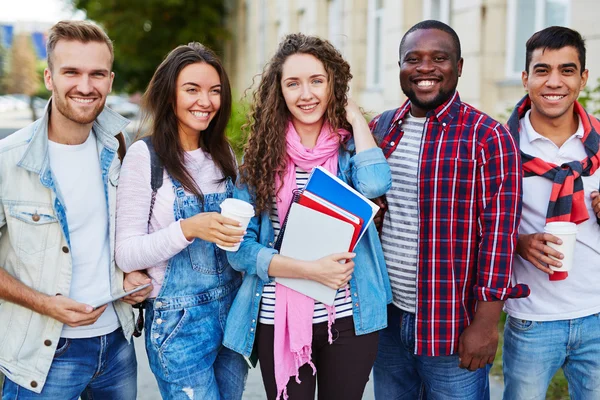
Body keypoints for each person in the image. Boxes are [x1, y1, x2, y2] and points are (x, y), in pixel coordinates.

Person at [222, 33, 392, 400]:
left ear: (334, 85)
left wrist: (355, 119)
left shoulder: (350, 150)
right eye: (293, 83)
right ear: (279, 91)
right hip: (278, 321)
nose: (306, 94)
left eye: (317, 81)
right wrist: (309, 270)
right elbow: (239, 251)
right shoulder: (260, 161)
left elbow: (376, 182)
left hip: (350, 316)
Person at [369, 20, 529, 399]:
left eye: (439, 58)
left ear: (458, 66)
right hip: (386, 317)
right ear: (401, 68)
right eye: (414, 59)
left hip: (452, 323)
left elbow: (499, 235)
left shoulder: (488, 137)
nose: (426, 68)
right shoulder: (381, 129)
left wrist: (486, 325)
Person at [0, 20, 152, 399]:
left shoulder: (120, 150)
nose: (86, 86)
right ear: (49, 77)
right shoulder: (9, 159)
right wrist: (45, 304)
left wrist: (133, 274)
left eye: (97, 74)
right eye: (72, 72)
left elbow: (123, 234)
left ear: (111, 80)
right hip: (43, 357)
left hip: (116, 345)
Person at [115, 42, 248, 399]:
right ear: (168, 94)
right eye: (192, 89)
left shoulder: (224, 155)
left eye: (214, 91)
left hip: (233, 311)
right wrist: (189, 228)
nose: (205, 101)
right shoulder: (146, 156)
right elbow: (126, 254)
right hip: (178, 325)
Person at [503, 26, 600, 399]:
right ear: (526, 78)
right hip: (532, 318)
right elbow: (477, 223)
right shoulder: (501, 145)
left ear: (583, 78)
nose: (554, 81)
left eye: (567, 70)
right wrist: (518, 242)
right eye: (542, 70)